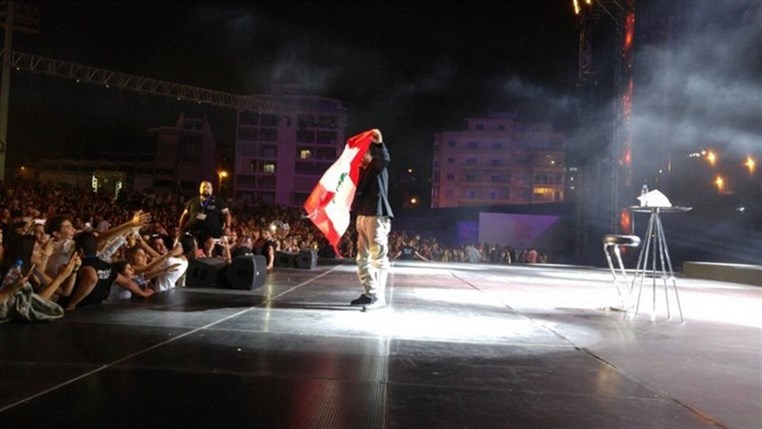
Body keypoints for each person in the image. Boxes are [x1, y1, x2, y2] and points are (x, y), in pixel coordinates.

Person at [350, 129, 394, 309]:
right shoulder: (362, 171)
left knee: (378, 257)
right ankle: (370, 293)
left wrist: (377, 141)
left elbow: (384, 156)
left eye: (362, 153)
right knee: (362, 258)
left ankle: (379, 298)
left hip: (376, 215)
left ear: (370, 153)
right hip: (363, 215)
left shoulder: (377, 166)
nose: (359, 157)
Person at [178, 181, 232, 246]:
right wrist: (181, 229)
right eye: (203, 187)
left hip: (212, 235)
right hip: (194, 234)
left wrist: (228, 227)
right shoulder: (192, 201)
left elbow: (227, 214)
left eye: (208, 187)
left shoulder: (218, 201)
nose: (206, 189)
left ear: (212, 189)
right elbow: (185, 215)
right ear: (200, 189)